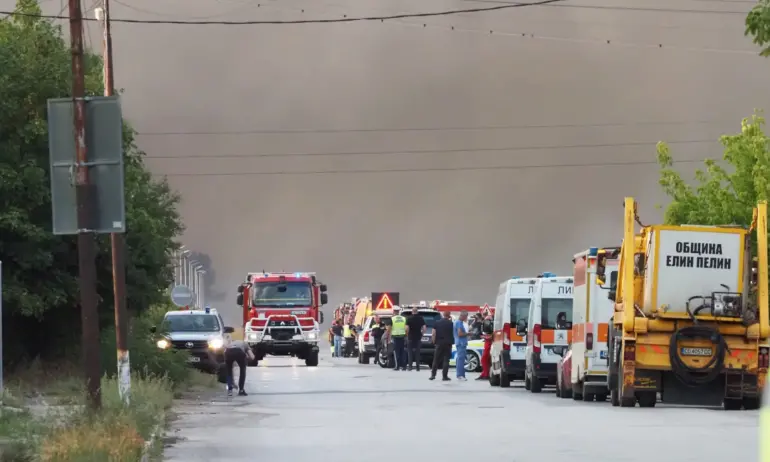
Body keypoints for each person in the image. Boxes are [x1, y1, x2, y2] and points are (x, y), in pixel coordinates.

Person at [430, 311, 454, 381]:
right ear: (449, 315)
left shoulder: (437, 323)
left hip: (439, 343)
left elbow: (433, 333)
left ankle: (433, 375)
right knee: (446, 360)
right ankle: (444, 376)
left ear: (443, 315)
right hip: (448, 344)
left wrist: (434, 342)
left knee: (436, 359)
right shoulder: (451, 323)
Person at [405, 306, 426, 371]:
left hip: (410, 337)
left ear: (412, 312)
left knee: (410, 352)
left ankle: (410, 367)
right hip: (418, 337)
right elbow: (424, 328)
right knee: (417, 353)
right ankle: (417, 367)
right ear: (417, 312)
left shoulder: (408, 318)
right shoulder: (421, 318)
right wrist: (422, 334)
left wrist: (407, 334)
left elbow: (407, 328)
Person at [390, 306, 407, 371]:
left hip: (395, 337)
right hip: (403, 337)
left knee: (396, 352)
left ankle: (397, 366)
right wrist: (406, 335)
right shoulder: (404, 318)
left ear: (394, 311)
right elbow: (406, 328)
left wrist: (389, 337)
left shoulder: (392, 319)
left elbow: (389, 328)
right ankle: (404, 366)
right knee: (402, 352)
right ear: (398, 311)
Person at [454, 310, 469, 381]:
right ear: (463, 316)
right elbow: (460, 334)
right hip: (461, 343)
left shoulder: (457, 322)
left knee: (461, 359)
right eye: (466, 316)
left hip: (459, 343)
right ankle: (460, 375)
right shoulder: (459, 323)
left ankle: (461, 374)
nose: (466, 318)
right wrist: (468, 334)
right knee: (460, 359)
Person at [477, 314, 494, 381]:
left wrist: (484, 337)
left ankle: (486, 374)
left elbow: (491, 337)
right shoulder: (489, 328)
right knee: (485, 360)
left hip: (489, 345)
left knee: (484, 360)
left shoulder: (491, 328)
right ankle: (484, 373)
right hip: (487, 345)